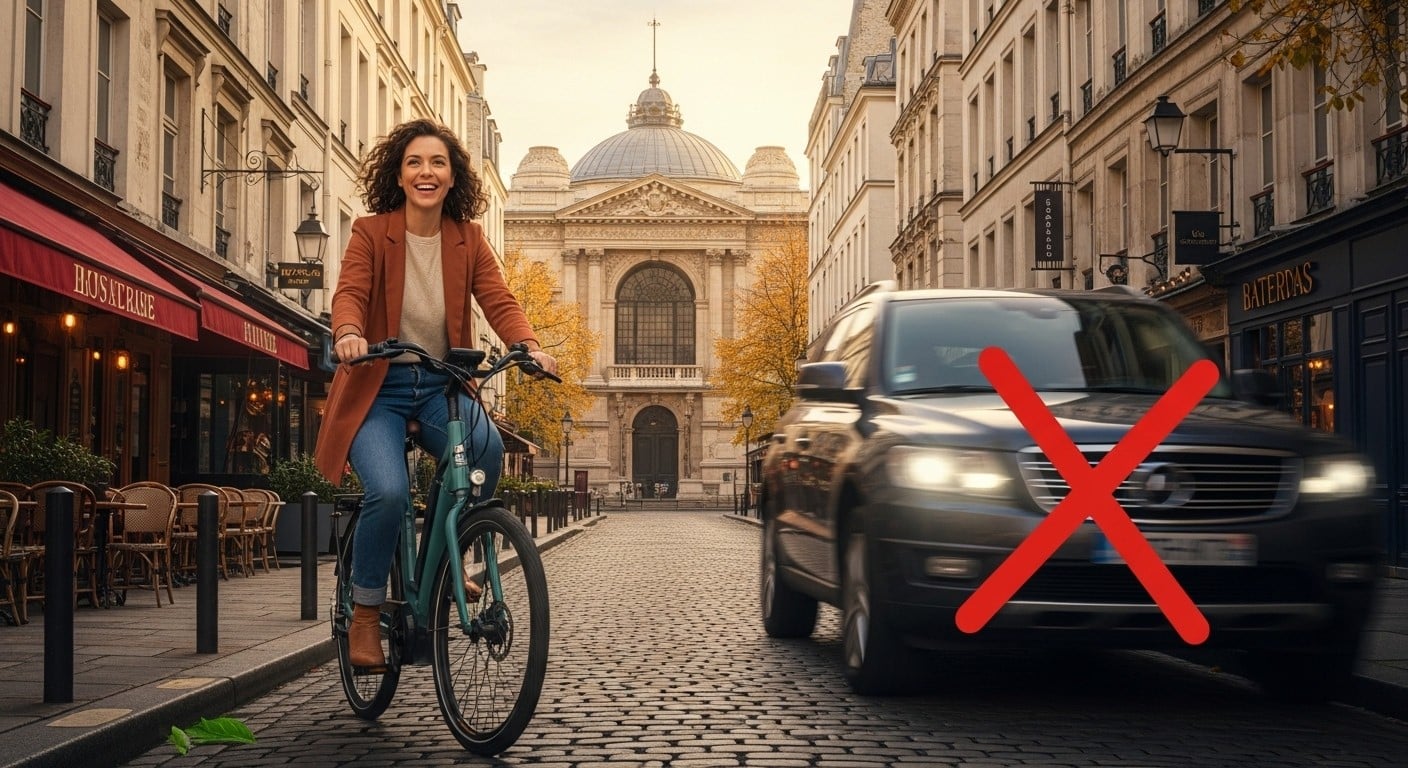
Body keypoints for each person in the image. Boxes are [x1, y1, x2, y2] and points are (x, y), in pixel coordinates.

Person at [313, 118, 558, 670]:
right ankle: (367, 615)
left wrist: (528, 343)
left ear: (453, 178)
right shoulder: (372, 231)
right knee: (391, 493)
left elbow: (499, 299)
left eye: (438, 163)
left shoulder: (468, 238)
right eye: (416, 163)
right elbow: (350, 290)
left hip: (440, 386)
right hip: (379, 386)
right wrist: (349, 333)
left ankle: (443, 565)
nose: (427, 172)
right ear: (399, 174)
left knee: (489, 451)